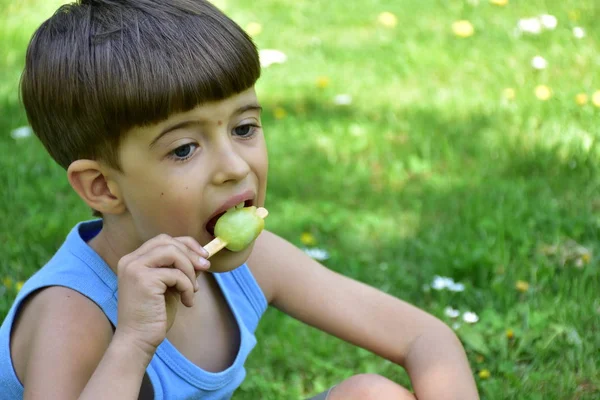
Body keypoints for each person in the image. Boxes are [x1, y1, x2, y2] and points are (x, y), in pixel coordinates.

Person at [0, 1, 480, 399]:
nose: (234, 166)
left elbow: (426, 337)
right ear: (104, 187)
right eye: (184, 148)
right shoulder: (72, 313)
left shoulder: (255, 262)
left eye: (244, 127)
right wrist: (132, 343)